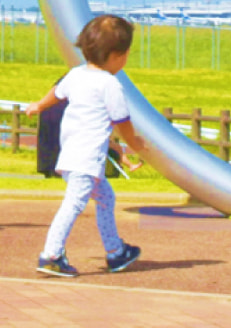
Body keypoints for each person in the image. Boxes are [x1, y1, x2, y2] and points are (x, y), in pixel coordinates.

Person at [24, 15, 147, 278]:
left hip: (71, 154)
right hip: (86, 160)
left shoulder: (76, 74)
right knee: (73, 205)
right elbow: (122, 121)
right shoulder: (110, 84)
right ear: (117, 55)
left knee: (106, 197)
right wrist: (134, 143)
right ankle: (51, 255)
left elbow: (57, 92)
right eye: (126, 53)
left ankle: (115, 252)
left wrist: (38, 104)